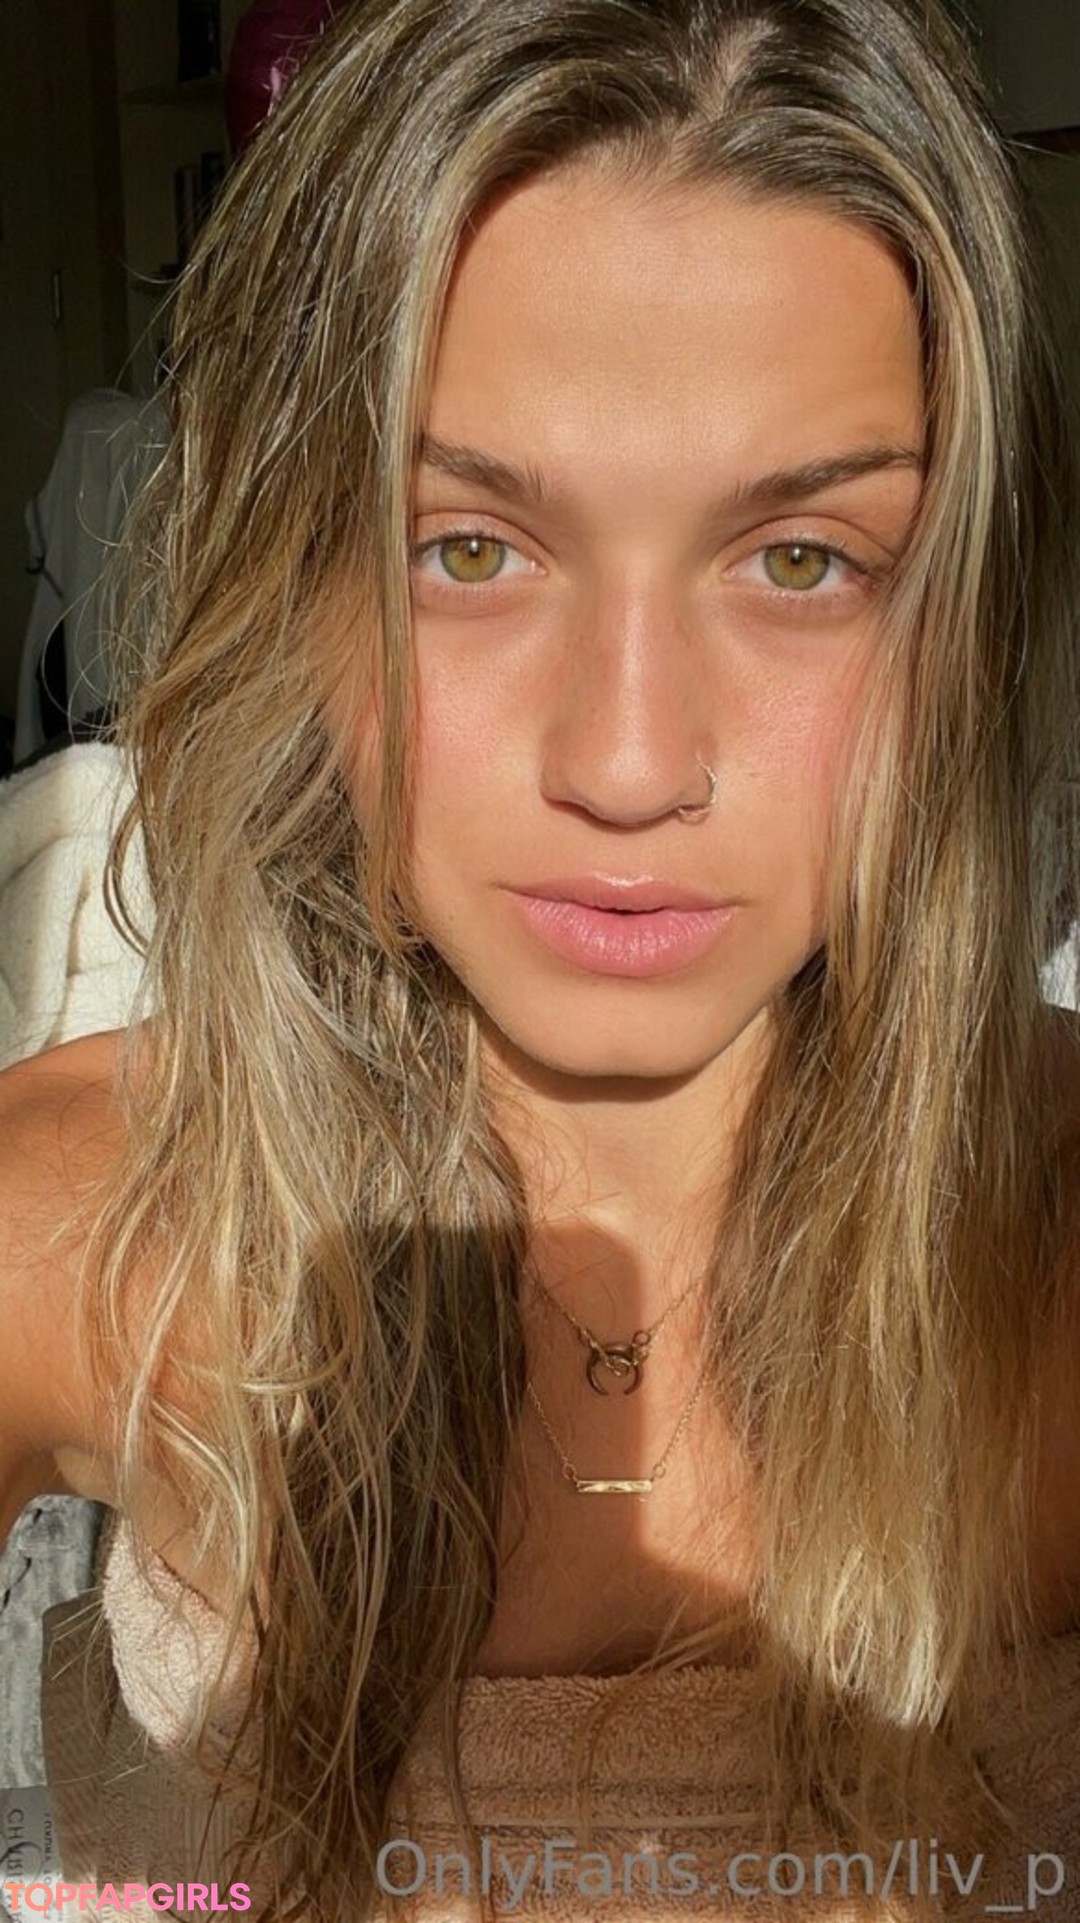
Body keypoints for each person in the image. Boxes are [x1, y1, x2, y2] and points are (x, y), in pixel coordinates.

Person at [1, 0, 1079, 1917]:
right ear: (293, 582)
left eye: (802, 560)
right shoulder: (82, 1236)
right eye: (470, 549)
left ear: (970, 621)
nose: (630, 761)